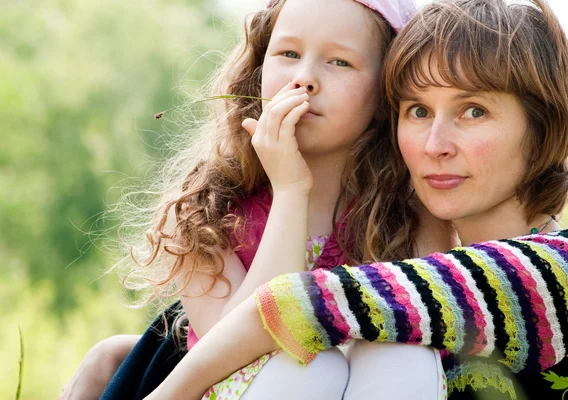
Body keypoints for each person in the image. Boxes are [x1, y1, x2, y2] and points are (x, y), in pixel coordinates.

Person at [144, 0, 568, 399]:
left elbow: (308, 306)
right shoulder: (217, 211)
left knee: (388, 352)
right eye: (418, 111)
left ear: (544, 129)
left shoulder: (562, 270)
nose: (434, 144)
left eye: (473, 111)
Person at [61, 0, 454, 399]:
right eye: (288, 53)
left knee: (407, 355)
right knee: (311, 364)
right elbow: (234, 352)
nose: (304, 78)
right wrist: (290, 190)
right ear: (259, 68)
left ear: (384, 93)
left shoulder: (411, 215)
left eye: (340, 62)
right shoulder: (204, 212)